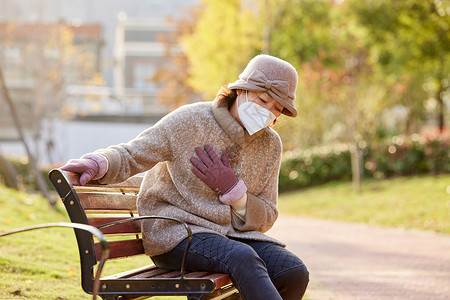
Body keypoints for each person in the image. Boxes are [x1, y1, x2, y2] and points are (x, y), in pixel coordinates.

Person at [61, 54, 309, 299]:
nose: (267, 112)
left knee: (293, 271)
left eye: (277, 109)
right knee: (242, 258)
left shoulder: (270, 145)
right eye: (263, 100)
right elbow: (134, 153)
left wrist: (236, 194)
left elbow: (268, 214)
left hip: (233, 236)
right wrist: (100, 162)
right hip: (176, 234)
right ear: (241, 90)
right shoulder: (190, 121)